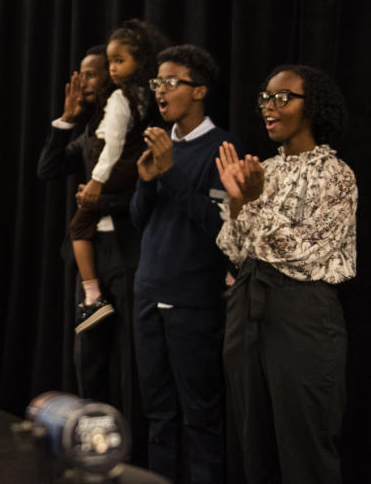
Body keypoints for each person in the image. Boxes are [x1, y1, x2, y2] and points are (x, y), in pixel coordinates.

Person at [215, 65, 354, 484]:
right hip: (248, 306)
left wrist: (251, 203)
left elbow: (301, 252)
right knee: (250, 440)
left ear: (311, 106)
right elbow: (235, 249)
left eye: (282, 97)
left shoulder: (337, 175)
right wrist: (238, 201)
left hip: (302, 315)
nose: (268, 107)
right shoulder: (264, 170)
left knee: (305, 444)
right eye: (264, 99)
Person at [130, 45, 232, 483]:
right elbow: (140, 220)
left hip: (193, 302)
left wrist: (170, 173)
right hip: (148, 293)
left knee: (200, 418)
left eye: (172, 81)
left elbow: (221, 229)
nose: (161, 90)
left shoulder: (223, 148)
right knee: (158, 416)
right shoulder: (161, 143)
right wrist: (149, 181)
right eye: (157, 82)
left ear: (200, 91)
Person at [36, 46, 145, 452]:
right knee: (90, 358)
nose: (85, 82)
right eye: (80, 74)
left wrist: (101, 203)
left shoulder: (133, 124)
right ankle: (95, 448)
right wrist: (67, 118)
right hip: (90, 254)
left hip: (128, 252)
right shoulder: (88, 129)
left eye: (93, 74)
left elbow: (141, 192)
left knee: (130, 359)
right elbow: (47, 169)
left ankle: (131, 454)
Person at [71, 20, 167, 333]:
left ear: (139, 62)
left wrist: (97, 182)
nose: (112, 69)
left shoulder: (120, 99)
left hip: (112, 175)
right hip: (123, 174)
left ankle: (92, 294)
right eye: (110, 62)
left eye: (119, 61)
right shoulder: (145, 96)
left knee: (78, 226)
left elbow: (112, 147)